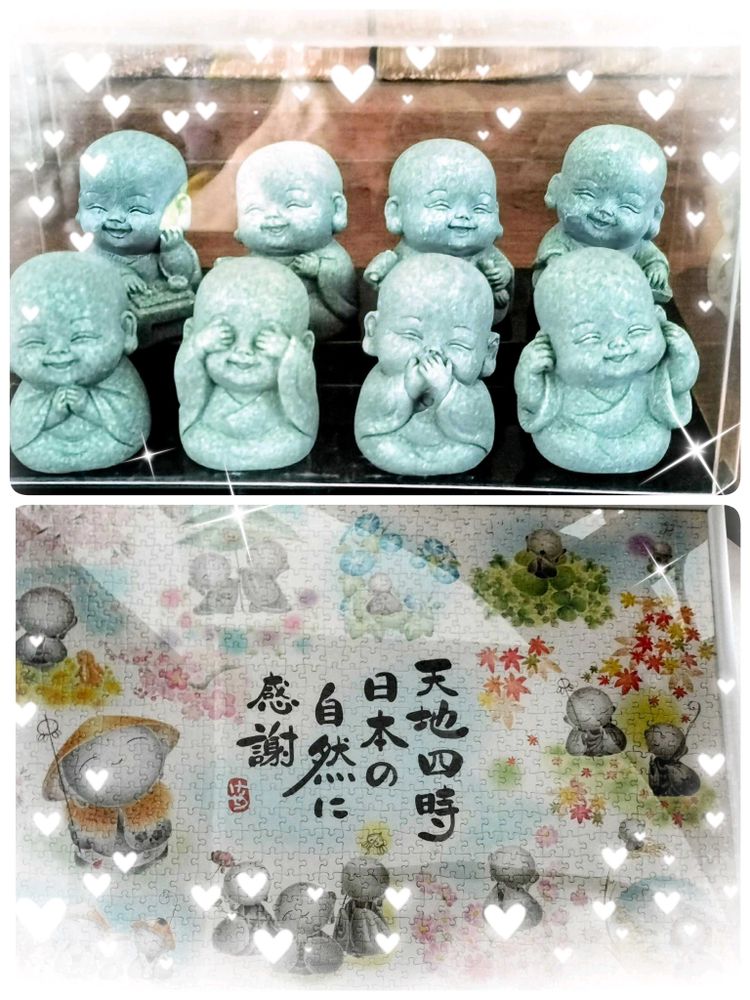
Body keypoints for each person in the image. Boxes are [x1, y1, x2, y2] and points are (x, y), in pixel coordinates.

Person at [515, 249, 699, 474]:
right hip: (573, 434)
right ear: (548, 343)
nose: (619, 344)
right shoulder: (558, 375)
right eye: (591, 337)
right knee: (560, 440)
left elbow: (679, 385)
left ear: (659, 318)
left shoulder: (646, 372)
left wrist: (684, 355)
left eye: (636, 329)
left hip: (640, 431)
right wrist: (529, 372)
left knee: (653, 439)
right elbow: (533, 402)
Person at [355, 253, 499, 476]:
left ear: (489, 352)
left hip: (459, 447)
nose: (432, 352)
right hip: (389, 442)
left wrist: (447, 392)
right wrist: (406, 390)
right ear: (373, 332)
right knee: (383, 447)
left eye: (458, 343)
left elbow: (478, 431)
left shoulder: (474, 391)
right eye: (411, 334)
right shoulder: (379, 380)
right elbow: (370, 422)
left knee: (465, 452)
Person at [10, 252, 150, 472]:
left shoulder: (118, 381)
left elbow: (130, 424)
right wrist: (53, 413)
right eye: (34, 341)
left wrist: (87, 407)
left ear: (126, 331)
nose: (58, 351)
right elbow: (20, 431)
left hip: (110, 442)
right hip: (46, 445)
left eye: (81, 336)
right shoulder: (33, 389)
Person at [175, 258, 318, 471]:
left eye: (264, 337)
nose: (243, 350)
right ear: (190, 334)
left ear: (304, 346)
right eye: (226, 335)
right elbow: (189, 392)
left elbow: (302, 421)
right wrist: (197, 347)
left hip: (276, 429)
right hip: (211, 426)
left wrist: (290, 354)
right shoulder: (203, 419)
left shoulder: (294, 361)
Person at [364, 138, 513, 319]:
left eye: (480, 208)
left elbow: (505, 270)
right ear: (396, 213)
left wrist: (501, 276)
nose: (463, 215)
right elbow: (378, 278)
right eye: (441, 204)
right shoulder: (405, 256)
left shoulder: (485, 254)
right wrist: (380, 276)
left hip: (471, 327)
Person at [234, 140, 357, 340]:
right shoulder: (255, 257)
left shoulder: (330, 255)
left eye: (293, 204)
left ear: (337, 210)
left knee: (306, 314)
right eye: (254, 207)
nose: (272, 215)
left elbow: (346, 298)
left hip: (315, 311)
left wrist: (320, 269)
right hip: (260, 319)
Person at [534, 123, 671, 302]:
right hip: (572, 297)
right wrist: (558, 266)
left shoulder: (635, 247)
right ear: (556, 190)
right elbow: (552, 254)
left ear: (654, 215)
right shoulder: (564, 238)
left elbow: (653, 259)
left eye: (628, 205)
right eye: (587, 193)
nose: (605, 210)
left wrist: (657, 269)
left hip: (624, 301)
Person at [42, 714, 179, 870]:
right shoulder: (85, 816)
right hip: (103, 862)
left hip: (146, 857)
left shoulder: (152, 805)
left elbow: (160, 832)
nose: (116, 761)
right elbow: (83, 844)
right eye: (93, 760)